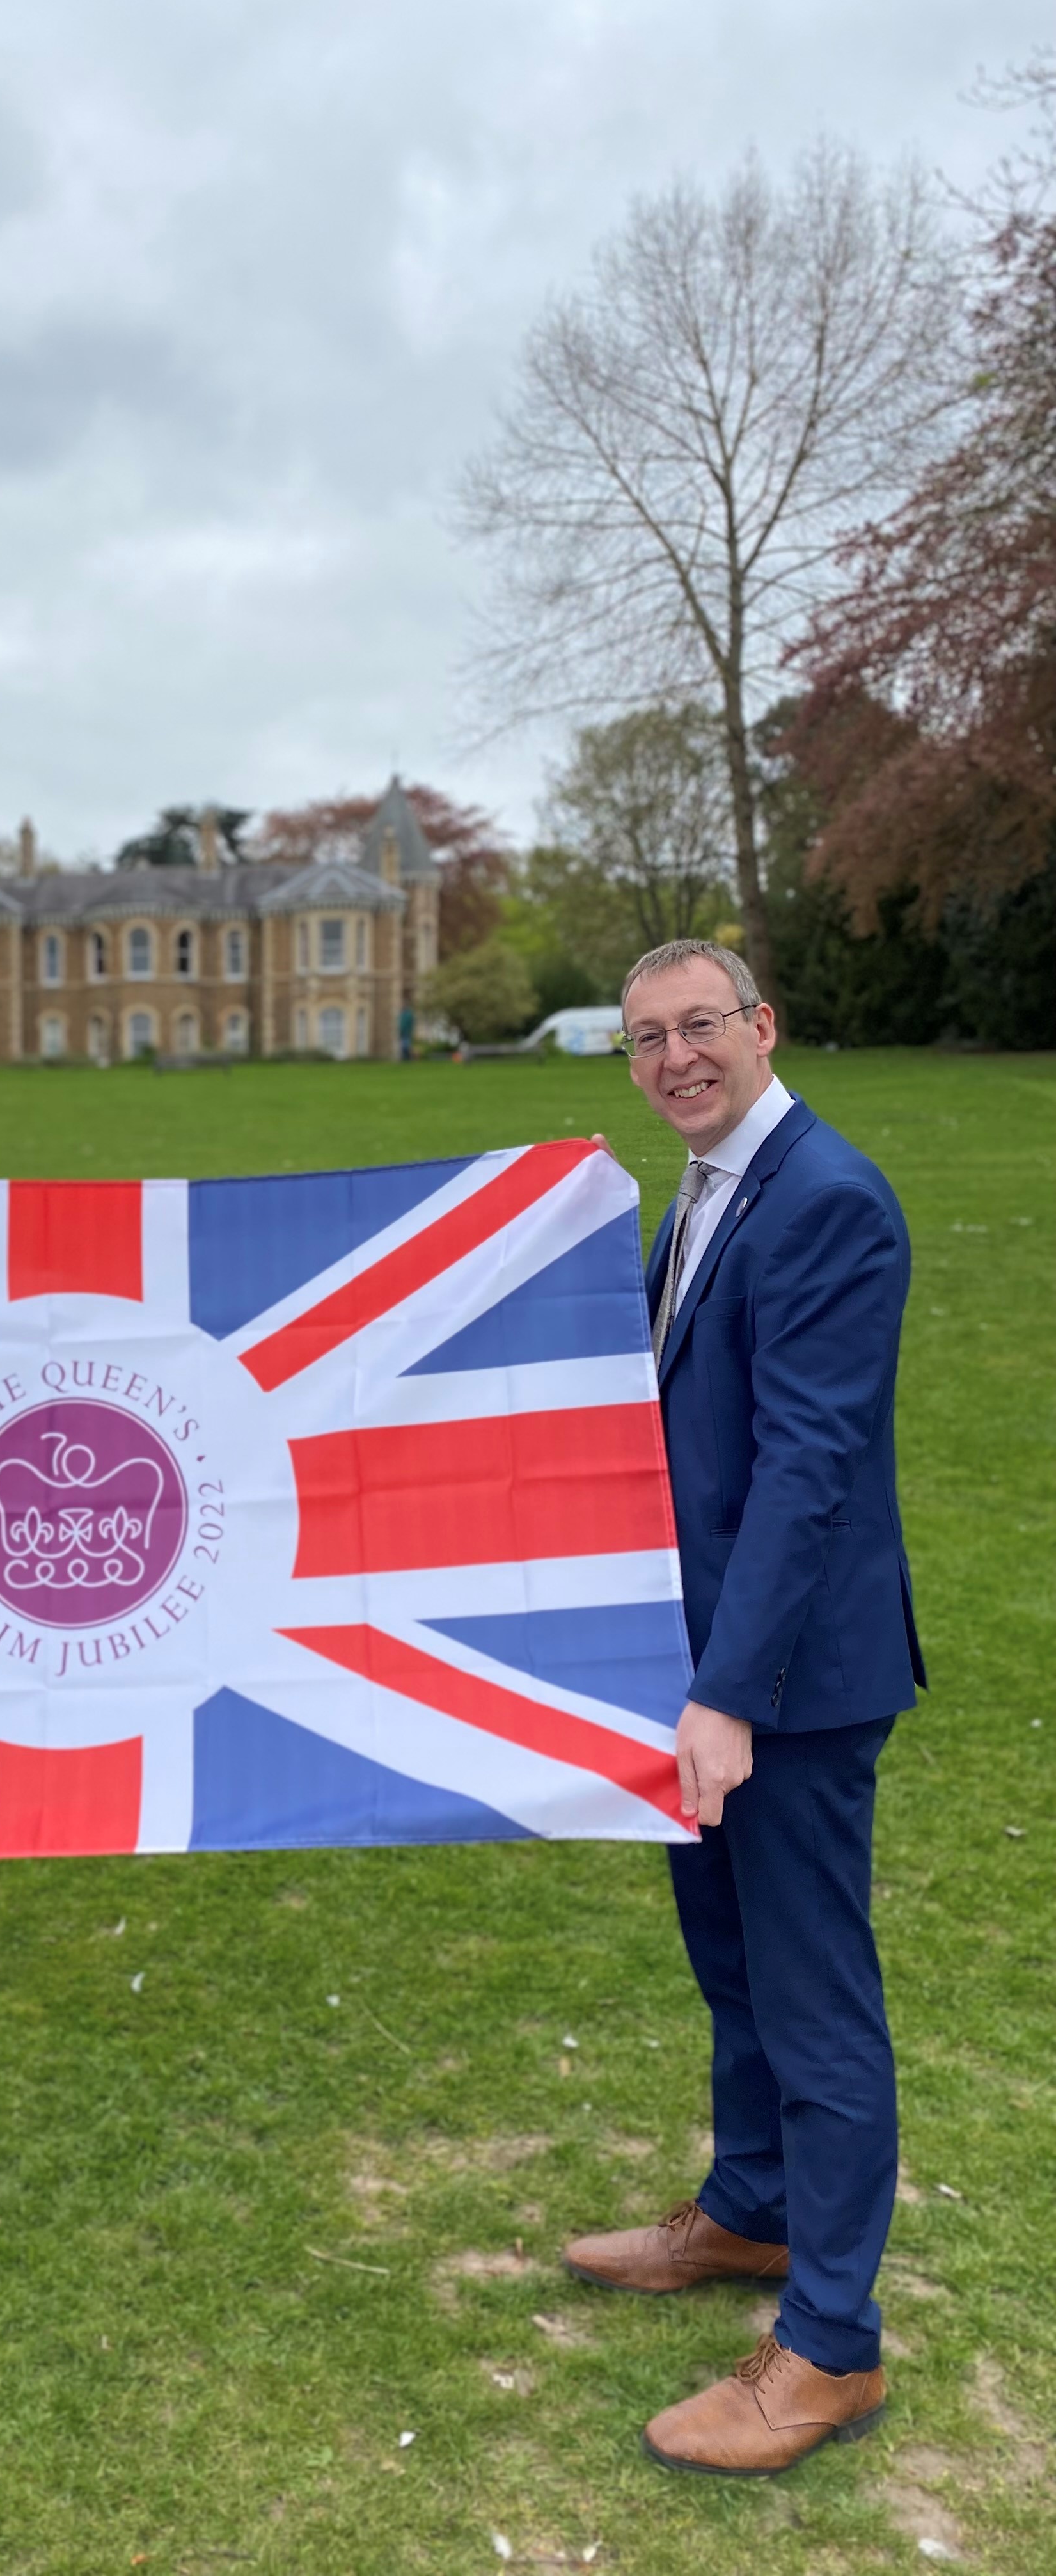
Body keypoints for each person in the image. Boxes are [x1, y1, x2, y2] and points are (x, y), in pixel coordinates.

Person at [562, 938, 924, 2477]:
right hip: (702, 1667)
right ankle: (754, 2211)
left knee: (813, 1994)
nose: (673, 1058)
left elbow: (807, 1472)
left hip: (782, 1687)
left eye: (699, 1026)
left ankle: (832, 2351)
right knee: (732, 1964)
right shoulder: (705, 1194)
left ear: (763, 1027)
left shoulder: (828, 1199)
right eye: (645, 1038)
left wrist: (729, 1697)